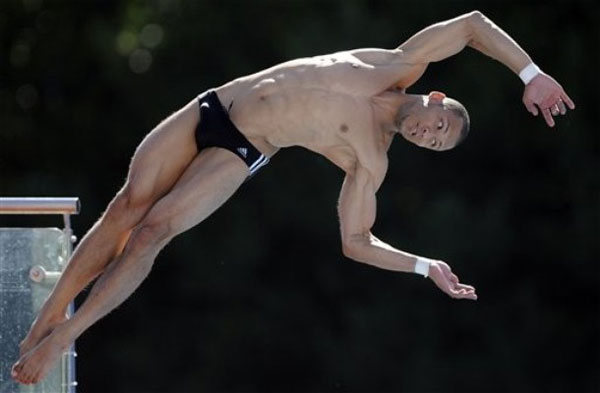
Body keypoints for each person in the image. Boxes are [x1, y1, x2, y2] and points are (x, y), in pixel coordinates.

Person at [12, 10, 574, 385]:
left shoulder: (370, 161)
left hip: (244, 149)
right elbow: (474, 24)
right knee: (127, 207)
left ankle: (63, 336)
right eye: (437, 126)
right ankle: (52, 312)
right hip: (218, 105)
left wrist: (425, 267)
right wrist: (531, 73)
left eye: (436, 145)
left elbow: (355, 241)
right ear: (435, 98)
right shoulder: (400, 63)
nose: (429, 136)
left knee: (153, 231)